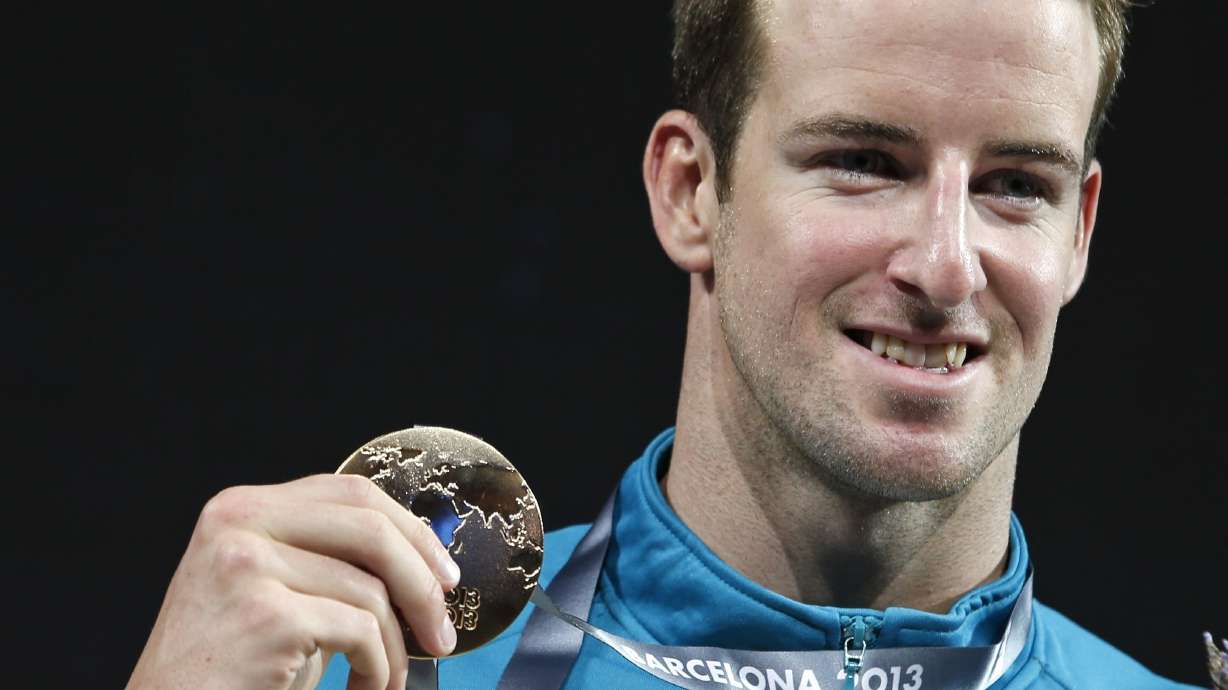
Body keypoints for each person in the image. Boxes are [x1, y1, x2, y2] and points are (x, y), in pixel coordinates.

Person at [124, 1, 1205, 689]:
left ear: (1078, 232)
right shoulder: (363, 666)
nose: (945, 267)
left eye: (1016, 186)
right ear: (691, 191)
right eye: (865, 162)